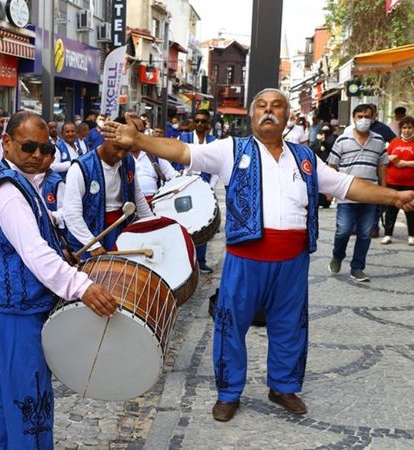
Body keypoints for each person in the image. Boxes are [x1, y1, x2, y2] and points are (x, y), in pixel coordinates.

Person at [101, 88, 414, 423]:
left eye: (276, 106)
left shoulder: (305, 158)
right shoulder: (230, 150)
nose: (268, 111)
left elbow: (345, 185)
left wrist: (393, 198)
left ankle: (283, 386)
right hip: (245, 259)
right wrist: (139, 141)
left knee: (290, 326)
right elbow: (182, 151)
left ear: (287, 116)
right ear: (252, 115)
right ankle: (229, 392)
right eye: (261, 106)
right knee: (230, 326)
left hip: (292, 261)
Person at [0, 111, 118, 449]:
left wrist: (62, 247)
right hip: (15, 315)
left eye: (45, 148)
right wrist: (82, 286)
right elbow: (34, 252)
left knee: (6, 398)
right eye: (29, 147)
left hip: (4, 311)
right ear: (6, 143)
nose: (38, 155)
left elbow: (39, 231)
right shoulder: (9, 189)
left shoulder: (19, 181)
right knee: (30, 406)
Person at [63, 117, 154, 259]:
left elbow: (137, 197)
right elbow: (71, 213)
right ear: (106, 137)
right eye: (117, 148)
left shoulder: (128, 161)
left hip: (120, 230)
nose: (121, 155)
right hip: (88, 236)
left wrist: (153, 225)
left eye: (126, 150)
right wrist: (92, 244)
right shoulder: (81, 168)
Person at [327, 104, 389, 282]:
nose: (363, 120)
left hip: (370, 195)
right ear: (353, 118)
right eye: (360, 116)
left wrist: (383, 191)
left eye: (367, 116)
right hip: (346, 193)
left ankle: (357, 268)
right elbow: (332, 165)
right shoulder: (342, 140)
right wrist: (330, 188)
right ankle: (338, 255)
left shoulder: (378, 140)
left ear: (373, 117)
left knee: (365, 233)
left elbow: (382, 166)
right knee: (343, 231)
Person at [180, 109, 218, 274]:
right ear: (193, 122)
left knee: (202, 223)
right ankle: (184, 261)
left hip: (204, 186)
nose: (200, 124)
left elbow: (216, 167)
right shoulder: (184, 138)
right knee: (183, 224)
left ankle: (200, 261)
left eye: (203, 121)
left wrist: (210, 187)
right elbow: (175, 161)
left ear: (207, 123)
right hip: (185, 186)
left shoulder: (213, 141)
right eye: (197, 121)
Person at [381, 116, 414, 245]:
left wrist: (404, 163)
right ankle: (388, 234)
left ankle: (412, 235)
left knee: (410, 210)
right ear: (400, 129)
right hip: (392, 182)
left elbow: (403, 163)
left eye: (410, 128)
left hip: (410, 184)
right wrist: (390, 158)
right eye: (404, 128)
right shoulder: (394, 142)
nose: (407, 131)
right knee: (391, 210)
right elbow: (384, 158)